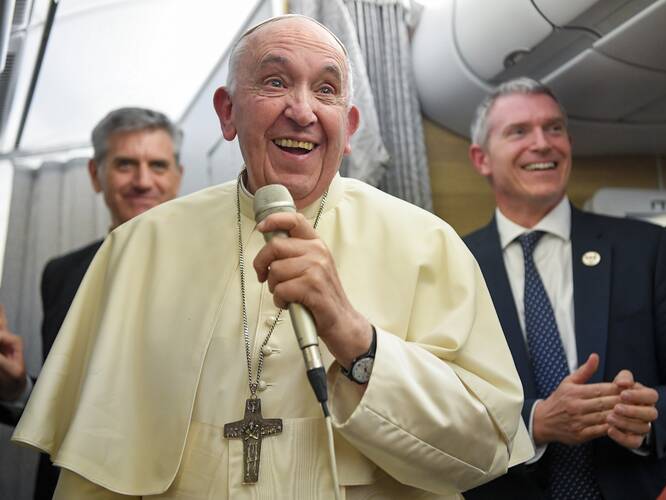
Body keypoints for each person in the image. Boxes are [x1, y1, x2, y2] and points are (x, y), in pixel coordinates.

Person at [12, 15, 532, 499]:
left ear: (349, 127)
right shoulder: (137, 249)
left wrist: (357, 340)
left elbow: (484, 445)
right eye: (275, 82)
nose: (302, 111)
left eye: (325, 90)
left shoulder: (429, 244)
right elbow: (91, 472)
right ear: (227, 112)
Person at [462, 77, 666, 500]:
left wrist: (651, 415)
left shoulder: (648, 250)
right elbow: (433, 409)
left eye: (554, 128)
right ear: (482, 159)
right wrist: (533, 422)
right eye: (519, 131)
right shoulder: (454, 265)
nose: (542, 143)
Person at [1, 106, 184, 499]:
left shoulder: (222, 267)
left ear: (177, 177)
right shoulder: (60, 274)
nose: (142, 180)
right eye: (124, 164)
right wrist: (16, 390)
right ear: (94, 174)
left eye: (157, 165)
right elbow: (67, 406)